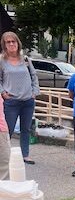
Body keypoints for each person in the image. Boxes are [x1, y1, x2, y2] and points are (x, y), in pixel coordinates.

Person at [0, 31, 40, 165]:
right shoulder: (1, 60)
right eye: (8, 42)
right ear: (4, 45)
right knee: (8, 129)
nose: (11, 44)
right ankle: (5, 155)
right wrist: (3, 93)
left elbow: (34, 76)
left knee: (26, 129)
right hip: (11, 101)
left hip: (28, 100)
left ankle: (25, 155)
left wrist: (34, 92)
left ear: (18, 43)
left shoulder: (26, 60)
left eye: (13, 41)